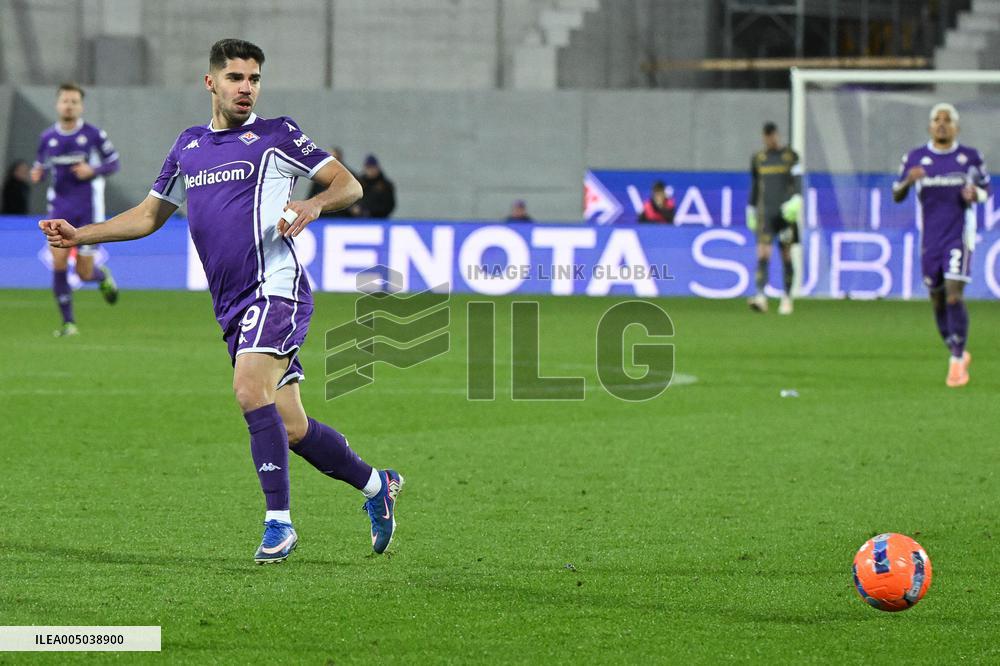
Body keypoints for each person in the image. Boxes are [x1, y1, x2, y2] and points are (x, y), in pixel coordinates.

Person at [39, 38, 404, 564]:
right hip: (231, 305)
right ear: (210, 82)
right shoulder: (189, 146)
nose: (246, 88)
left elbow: (348, 185)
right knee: (292, 427)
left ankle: (279, 524)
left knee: (248, 390)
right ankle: (377, 486)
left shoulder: (277, 135)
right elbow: (147, 215)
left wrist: (314, 204)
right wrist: (81, 235)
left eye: (254, 79)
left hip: (275, 289)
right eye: (235, 78)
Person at [892, 103, 988, 388]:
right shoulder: (915, 158)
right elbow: (896, 194)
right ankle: (956, 348)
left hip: (958, 235)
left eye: (948, 120)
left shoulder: (970, 157)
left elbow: (986, 189)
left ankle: (956, 360)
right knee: (936, 298)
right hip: (930, 239)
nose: (942, 124)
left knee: (953, 295)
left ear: (957, 127)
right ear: (930, 126)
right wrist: (908, 181)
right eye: (937, 119)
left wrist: (976, 194)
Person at [31, 82, 121, 336]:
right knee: (58, 261)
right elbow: (41, 166)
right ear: (57, 104)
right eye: (65, 101)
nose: (69, 106)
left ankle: (101, 277)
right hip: (59, 208)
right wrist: (37, 174)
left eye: (74, 101)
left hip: (88, 210)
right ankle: (68, 323)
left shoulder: (93, 135)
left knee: (83, 272)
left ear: (81, 106)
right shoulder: (47, 138)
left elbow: (113, 163)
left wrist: (93, 169)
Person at [746, 121, 801, 315]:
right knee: (763, 253)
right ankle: (761, 296)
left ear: (777, 135)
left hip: (785, 214)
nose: (770, 139)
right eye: (767, 136)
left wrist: (797, 198)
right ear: (764, 137)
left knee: (786, 254)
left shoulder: (790, 157)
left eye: (773, 135)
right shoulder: (758, 159)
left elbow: (797, 180)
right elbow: (755, 185)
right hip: (765, 214)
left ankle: (787, 298)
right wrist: (751, 207)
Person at [307, 146, 355, 218]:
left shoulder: (349, 177)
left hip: (342, 218)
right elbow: (311, 196)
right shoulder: (319, 176)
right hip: (323, 217)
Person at [357, 154, 396, 218]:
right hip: (359, 220)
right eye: (368, 168)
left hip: (380, 219)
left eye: (373, 167)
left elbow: (389, 205)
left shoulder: (385, 185)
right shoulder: (359, 184)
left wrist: (370, 211)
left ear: (378, 168)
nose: (371, 170)